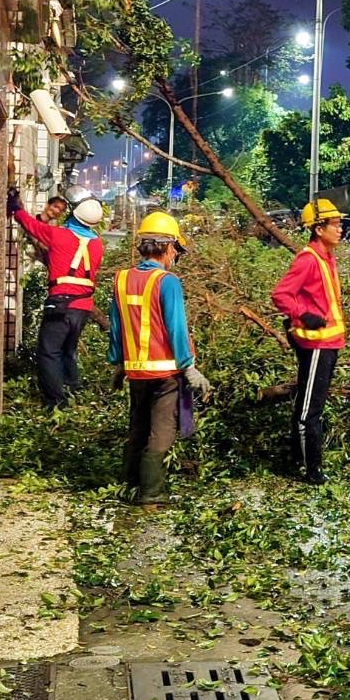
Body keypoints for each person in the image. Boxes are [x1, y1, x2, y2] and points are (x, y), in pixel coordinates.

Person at [109, 211, 212, 505]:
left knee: (138, 427)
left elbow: (116, 327)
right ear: (168, 248)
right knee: (162, 432)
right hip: (166, 374)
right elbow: (176, 328)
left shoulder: (121, 279)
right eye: (176, 251)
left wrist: (119, 364)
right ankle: (151, 492)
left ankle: (128, 483)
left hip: (136, 373)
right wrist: (189, 367)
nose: (175, 257)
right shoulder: (167, 282)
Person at [271, 198, 347, 485]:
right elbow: (281, 295)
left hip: (329, 344)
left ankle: (298, 462)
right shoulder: (308, 259)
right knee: (308, 412)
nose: (340, 229)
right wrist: (303, 315)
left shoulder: (327, 257)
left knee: (310, 406)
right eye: (335, 224)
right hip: (316, 344)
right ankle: (311, 470)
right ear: (318, 229)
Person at [8, 189, 105, 408]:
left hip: (61, 303)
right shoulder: (98, 245)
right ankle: (73, 394)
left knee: (49, 352)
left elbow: (33, 226)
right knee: (68, 351)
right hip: (83, 307)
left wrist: (16, 208)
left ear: (73, 214)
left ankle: (56, 403)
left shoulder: (59, 235)